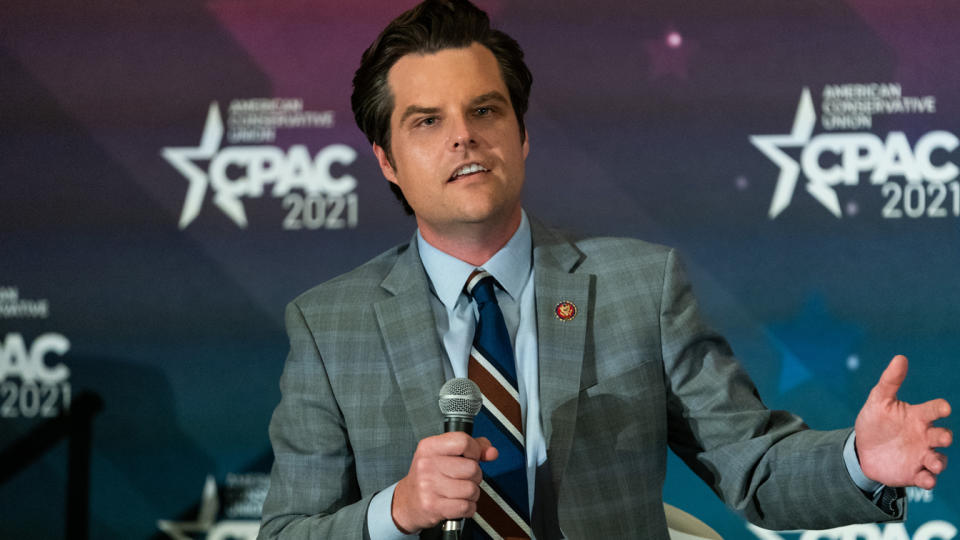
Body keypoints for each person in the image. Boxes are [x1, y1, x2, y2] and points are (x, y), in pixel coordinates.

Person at [257, 1, 952, 538]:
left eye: (484, 109)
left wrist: (861, 459)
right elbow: (288, 530)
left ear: (521, 134)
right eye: (426, 122)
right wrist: (396, 512)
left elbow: (755, 467)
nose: (463, 135)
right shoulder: (328, 325)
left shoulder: (637, 289)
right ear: (386, 160)